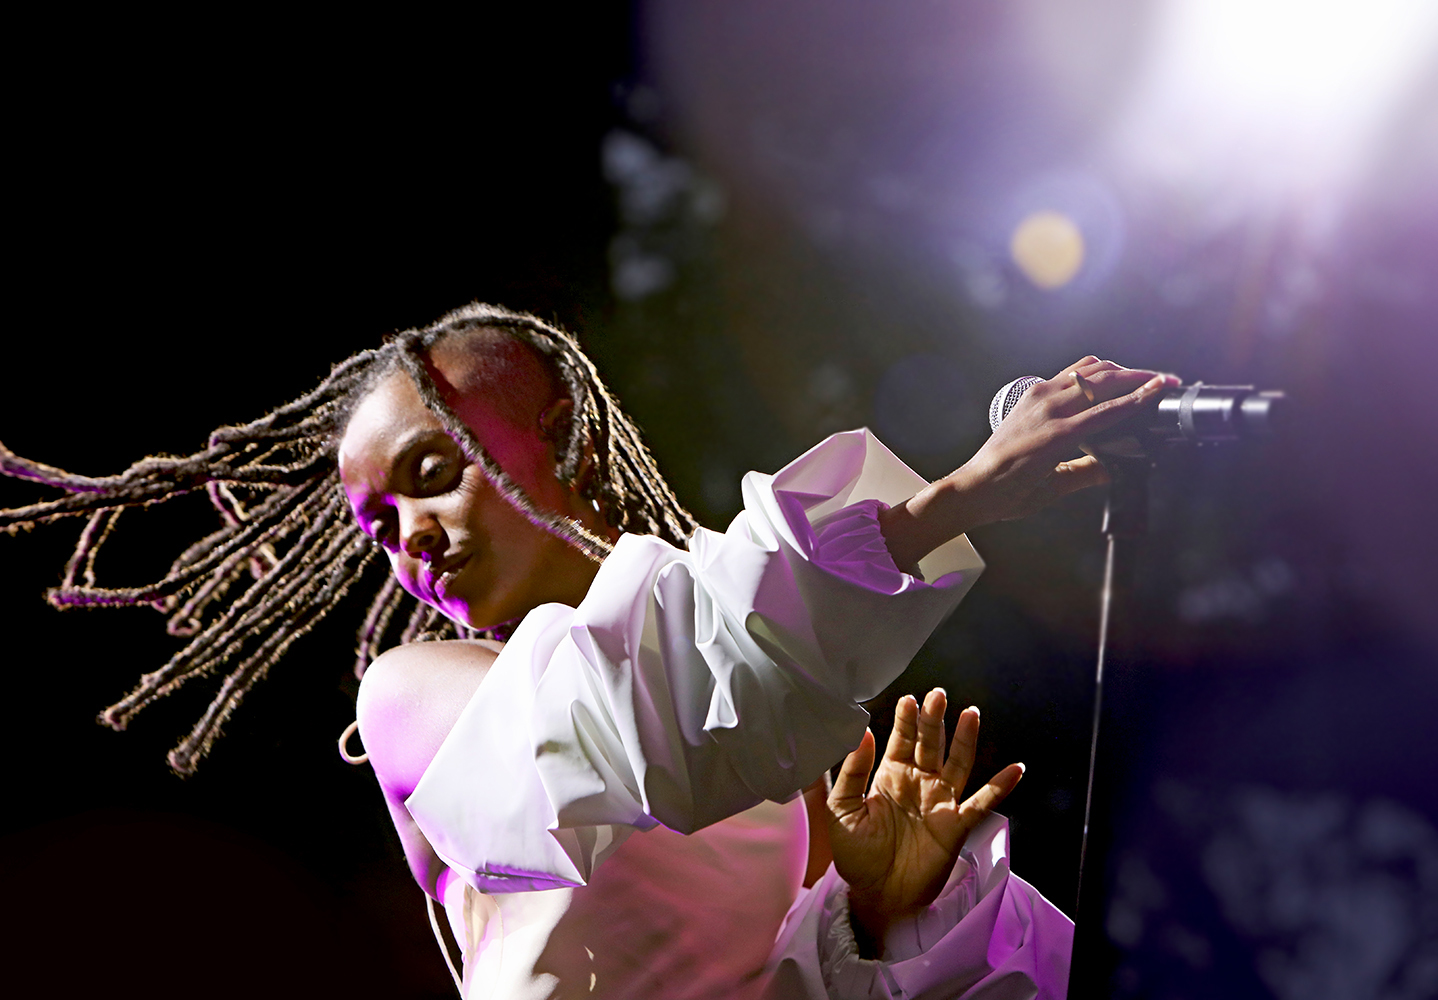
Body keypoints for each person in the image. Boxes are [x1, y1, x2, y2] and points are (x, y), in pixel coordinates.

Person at [0, 303, 1177, 998]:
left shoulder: (774, 690)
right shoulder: (421, 698)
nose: (407, 534)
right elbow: (647, 715)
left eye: (430, 469)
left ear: (556, 431)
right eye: (375, 524)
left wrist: (881, 918)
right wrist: (952, 498)